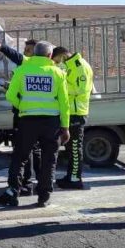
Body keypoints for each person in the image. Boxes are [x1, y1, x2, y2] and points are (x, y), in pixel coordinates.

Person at [0, 41, 69, 208]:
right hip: (51, 123)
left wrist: (23, 107)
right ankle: (44, 196)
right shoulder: (58, 73)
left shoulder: (22, 71)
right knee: (49, 160)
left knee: (19, 157)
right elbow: (64, 103)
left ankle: (13, 192)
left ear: (34, 54)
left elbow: (11, 96)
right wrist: (65, 127)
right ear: (50, 55)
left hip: (27, 121)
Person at [0, 38, 41, 195]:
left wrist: (1, 47)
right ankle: (38, 183)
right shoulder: (44, 69)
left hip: (25, 115)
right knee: (33, 151)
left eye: (29, 50)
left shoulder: (29, 65)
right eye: (25, 49)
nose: (25, 52)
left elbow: (16, 56)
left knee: (24, 151)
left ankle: (25, 183)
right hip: (35, 115)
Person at [52, 46, 94, 190]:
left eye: (57, 60)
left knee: (75, 148)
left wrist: (59, 87)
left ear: (63, 55)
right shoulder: (70, 65)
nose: (57, 63)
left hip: (77, 112)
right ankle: (70, 176)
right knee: (70, 148)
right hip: (70, 111)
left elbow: (79, 89)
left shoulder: (80, 66)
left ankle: (76, 179)